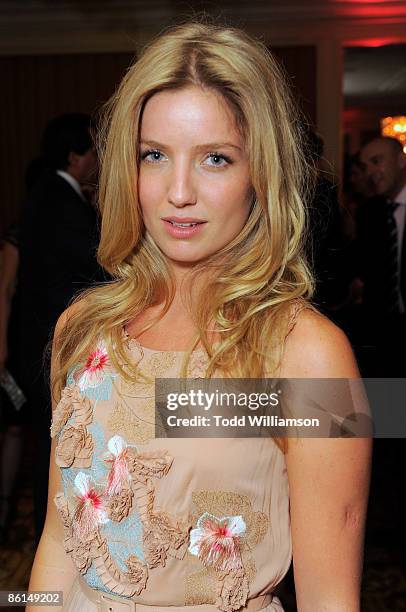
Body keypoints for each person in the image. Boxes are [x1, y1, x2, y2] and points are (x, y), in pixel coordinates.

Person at [28, 22, 371, 612]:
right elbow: (61, 541)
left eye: (215, 158)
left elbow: (330, 597)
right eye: (154, 155)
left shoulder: (306, 354)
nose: (178, 191)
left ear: (259, 174)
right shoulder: (82, 330)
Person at [18, 114, 106, 542]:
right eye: (92, 152)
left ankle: (50, 531)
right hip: (54, 338)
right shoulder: (61, 201)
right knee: (55, 445)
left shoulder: (46, 194)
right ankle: (53, 533)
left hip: (40, 332)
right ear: (75, 157)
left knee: (51, 443)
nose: (96, 160)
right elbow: (93, 267)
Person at [354, 136, 406, 376]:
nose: (371, 173)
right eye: (365, 167)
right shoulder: (369, 212)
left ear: (401, 160)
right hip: (382, 335)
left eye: (377, 161)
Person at [0, 224, 25, 543]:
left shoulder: (15, 240)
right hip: (8, 344)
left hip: (15, 343)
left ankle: (5, 508)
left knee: (15, 424)